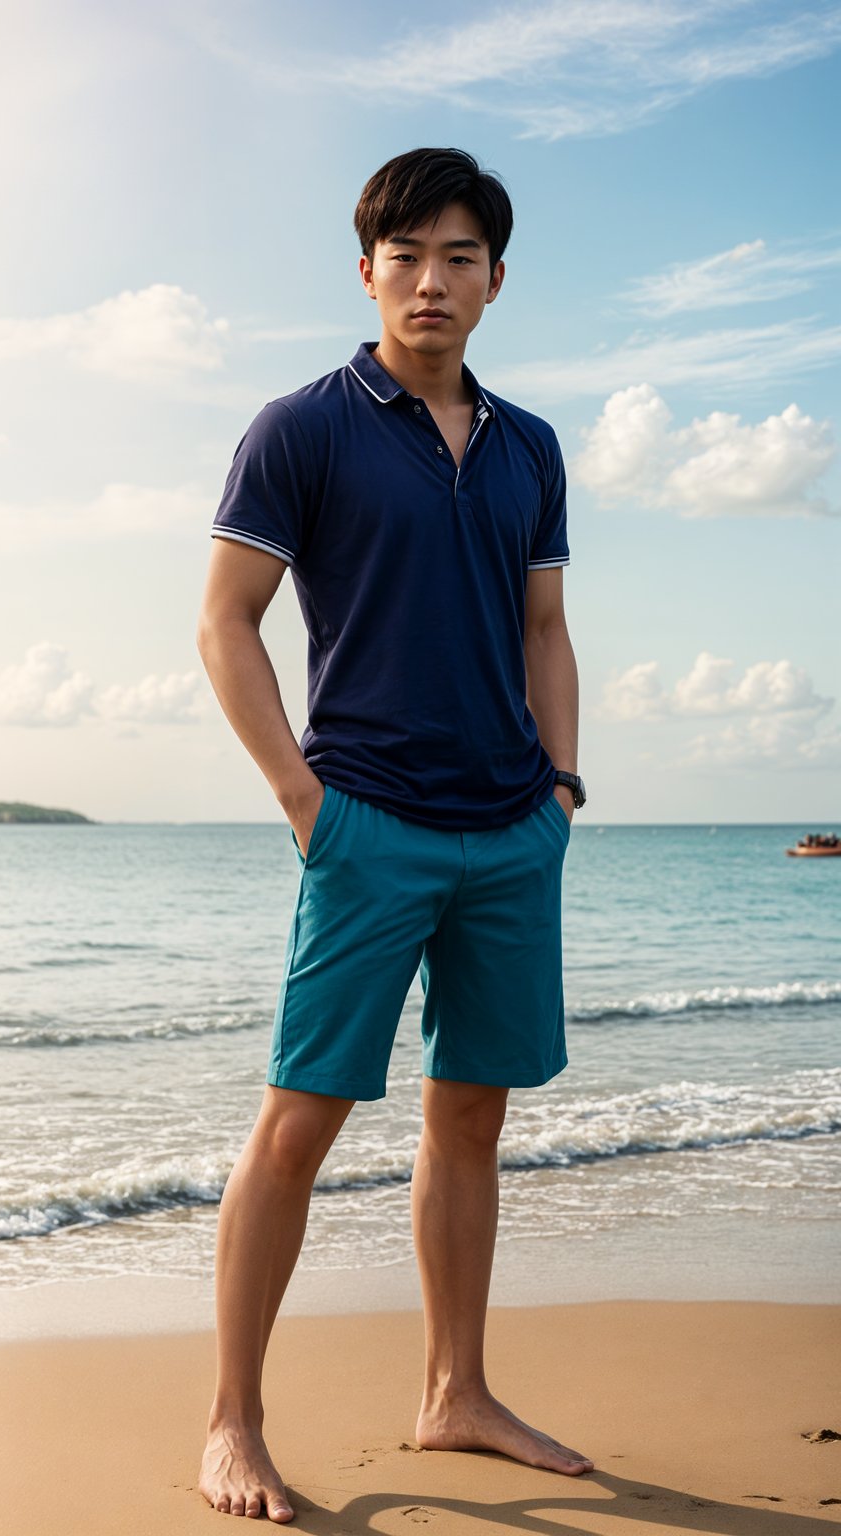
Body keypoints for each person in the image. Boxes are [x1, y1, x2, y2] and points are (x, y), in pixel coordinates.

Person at [195, 146, 591, 1523]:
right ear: (367, 270)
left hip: (509, 830)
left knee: (469, 1116)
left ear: (494, 281)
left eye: (460, 257)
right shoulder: (302, 427)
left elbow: (547, 631)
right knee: (300, 1122)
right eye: (407, 255)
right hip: (368, 823)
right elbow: (224, 621)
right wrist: (306, 801)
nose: (432, 280)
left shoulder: (532, 445)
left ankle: (455, 1394)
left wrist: (560, 792)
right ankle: (233, 1423)